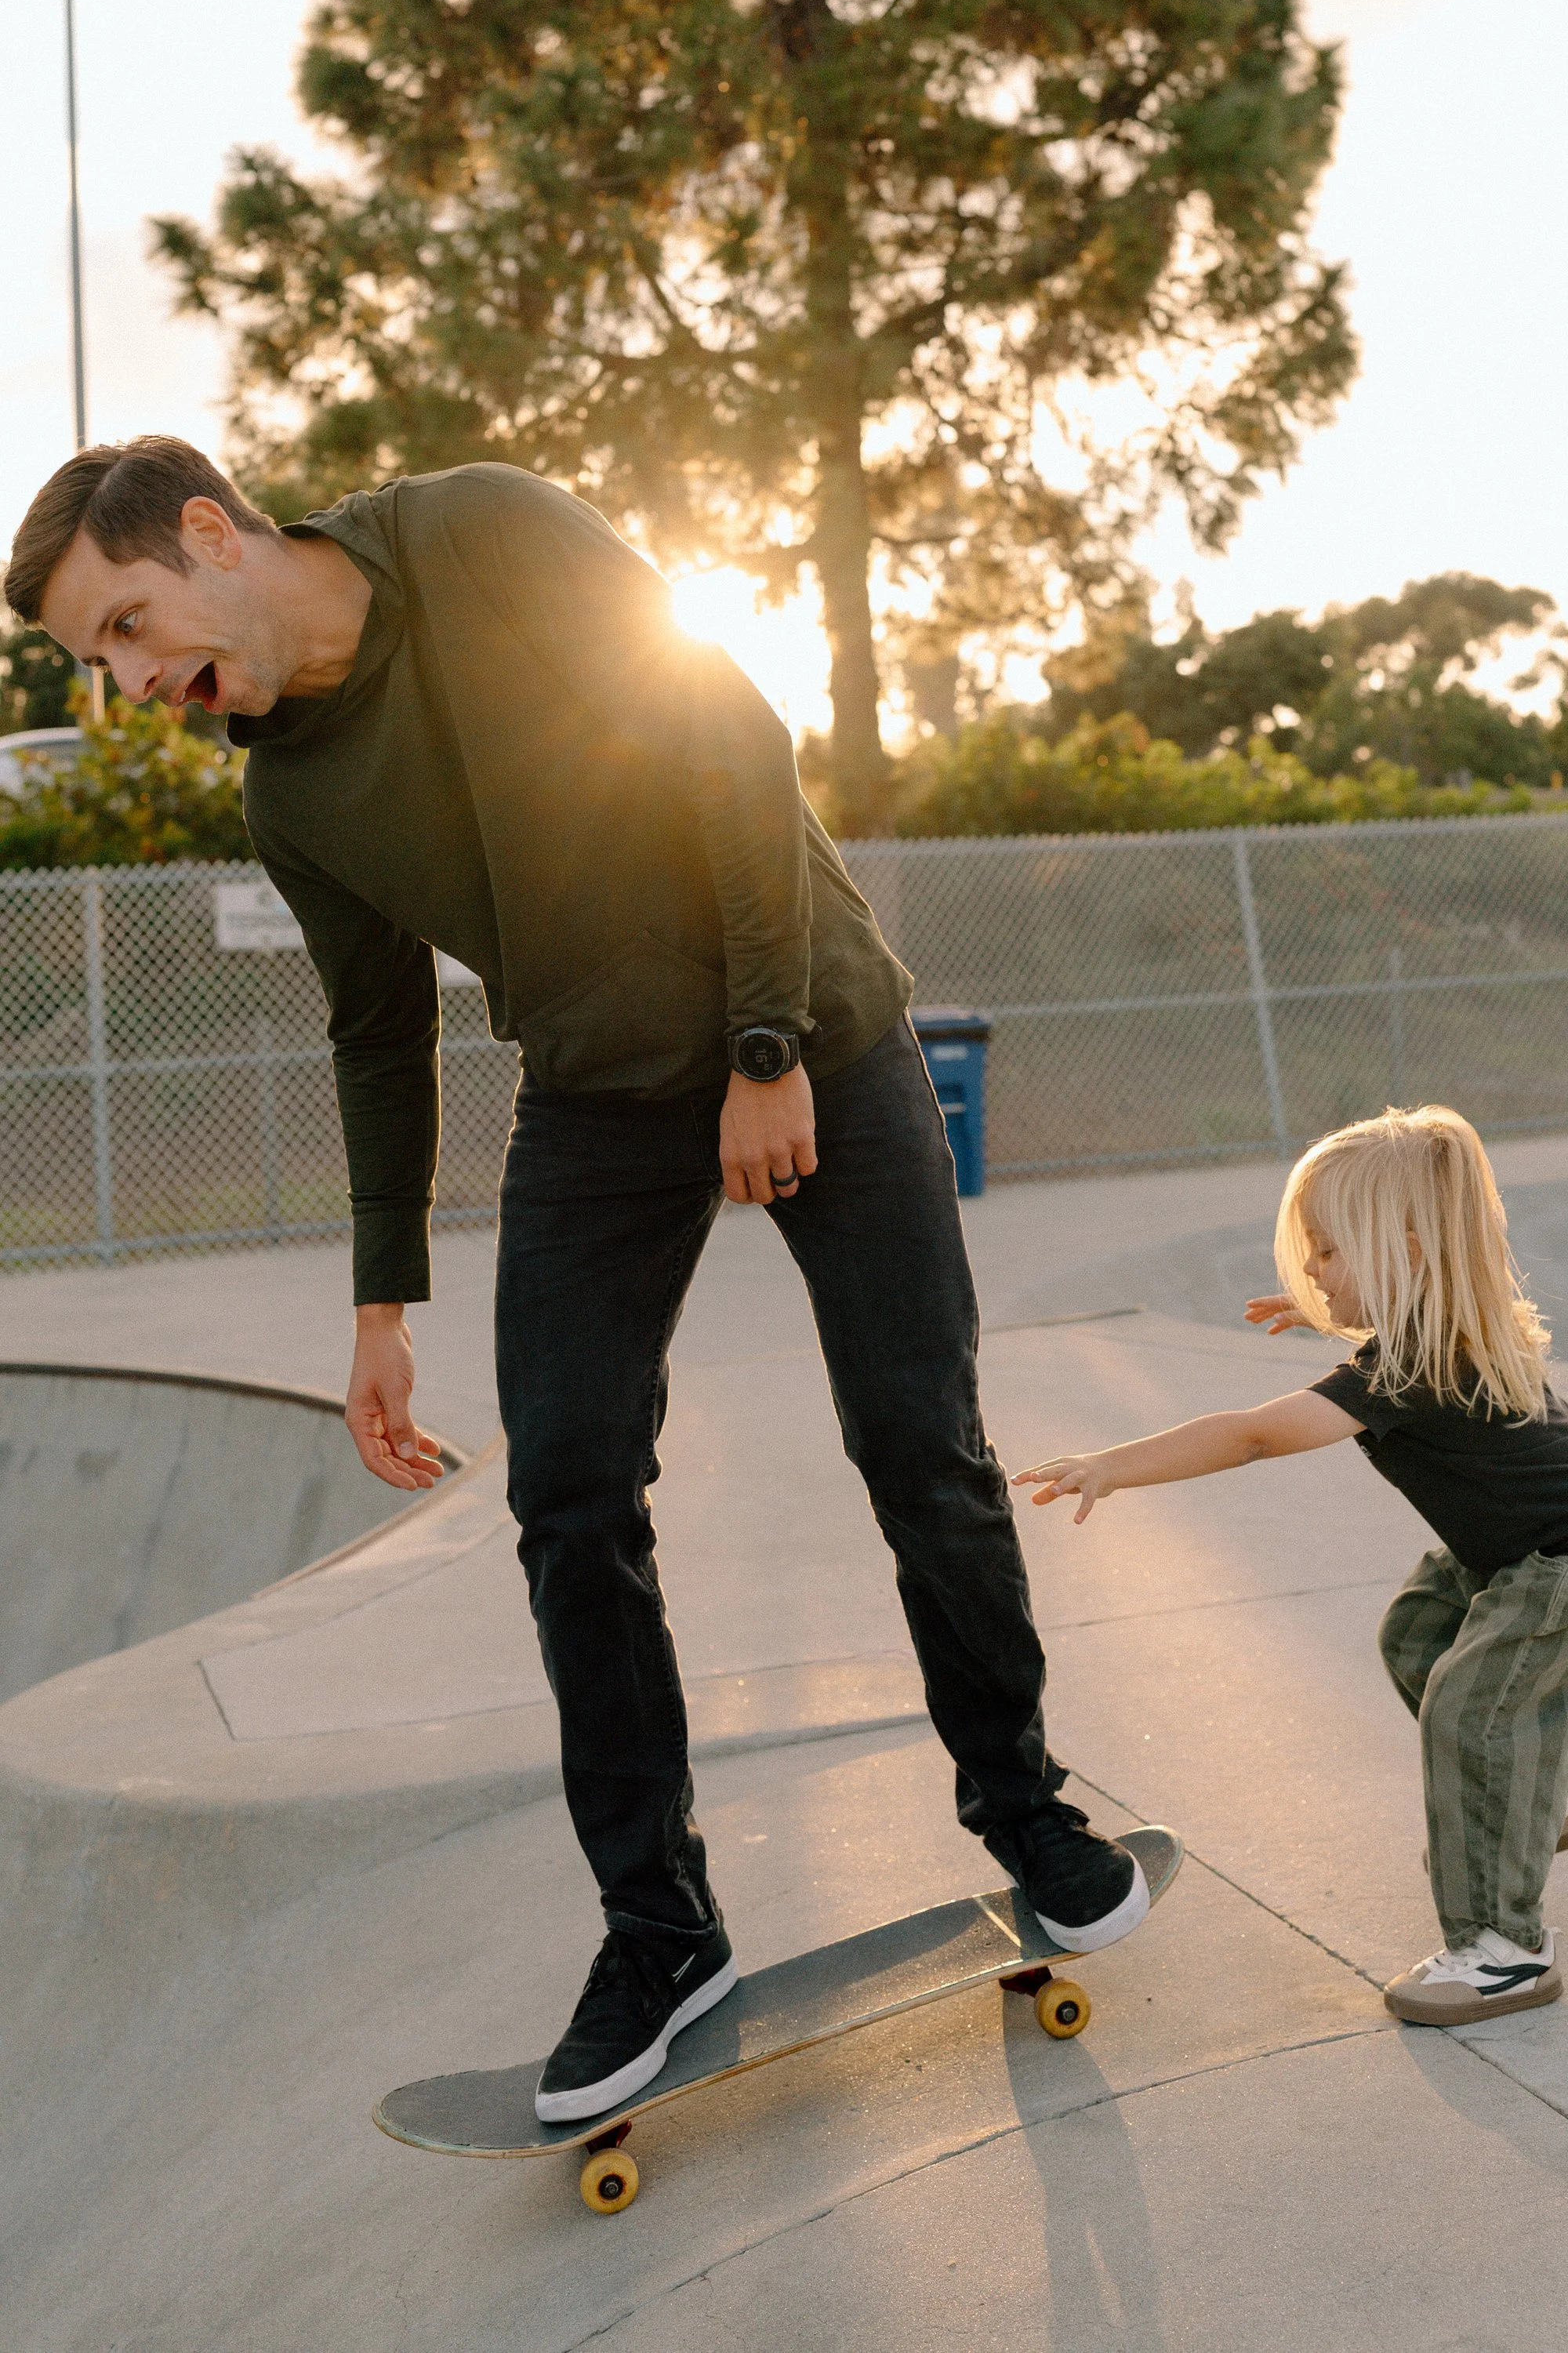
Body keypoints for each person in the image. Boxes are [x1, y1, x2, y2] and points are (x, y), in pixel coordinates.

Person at [9, 436, 1154, 2119]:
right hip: (597, 1097)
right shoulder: (288, 793)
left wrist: (765, 1044)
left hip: (814, 1035)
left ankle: (1024, 1805)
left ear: (207, 535)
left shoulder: (475, 532)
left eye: (122, 626)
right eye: (91, 662)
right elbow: (376, 1033)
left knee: (917, 1437)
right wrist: (378, 1305)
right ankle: (658, 1928)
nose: (127, 682)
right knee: (563, 1487)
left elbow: (726, 733)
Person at [1014, 1103, 1568, 2025]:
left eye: (1327, 1254)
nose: (1311, 1271)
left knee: (1471, 1713)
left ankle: (1503, 1950)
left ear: (1405, 1252)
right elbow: (1382, 1339)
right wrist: (1335, 1312)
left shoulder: (1407, 1368)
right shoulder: (1439, 1326)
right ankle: (1534, 1802)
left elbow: (1249, 1437)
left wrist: (1113, 1466)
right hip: (1545, 1546)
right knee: (1418, 1640)